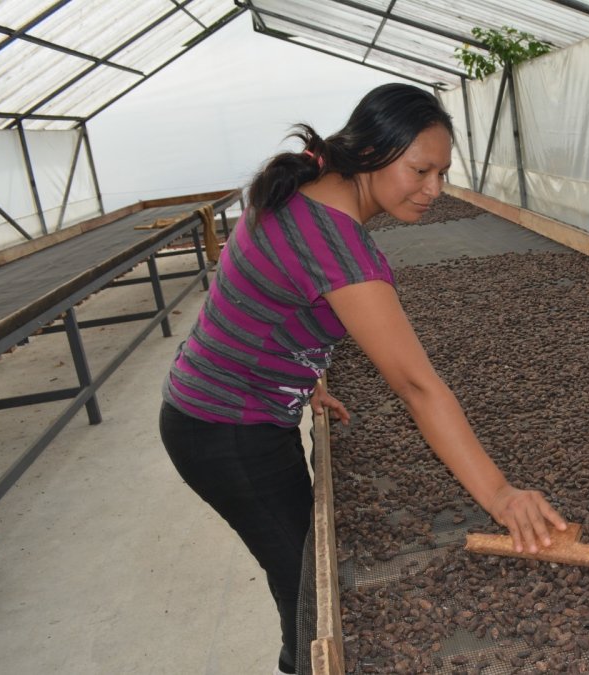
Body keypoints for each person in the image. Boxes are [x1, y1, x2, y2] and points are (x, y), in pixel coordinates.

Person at [157, 83, 567, 675]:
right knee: (306, 584)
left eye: (443, 172)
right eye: (420, 170)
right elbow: (417, 386)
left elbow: (251, 290)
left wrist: (295, 374)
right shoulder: (342, 249)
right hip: (225, 432)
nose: (435, 191)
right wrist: (501, 494)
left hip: (207, 402)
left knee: (302, 564)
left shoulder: (302, 181)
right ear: (372, 151)